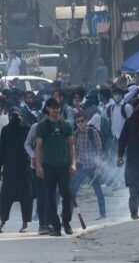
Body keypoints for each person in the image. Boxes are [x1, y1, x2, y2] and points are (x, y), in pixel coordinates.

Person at [35, 98, 76, 236]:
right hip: (48, 166)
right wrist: (39, 166)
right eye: (53, 107)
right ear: (48, 109)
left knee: (67, 195)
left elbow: (71, 145)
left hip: (64, 166)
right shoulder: (42, 126)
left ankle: (66, 222)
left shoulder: (66, 125)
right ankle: (56, 227)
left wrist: (73, 163)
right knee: (50, 197)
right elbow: (39, 148)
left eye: (58, 107)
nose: (56, 110)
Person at [0, 107, 33, 233]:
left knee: (26, 197)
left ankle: (25, 224)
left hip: (24, 168)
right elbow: (1, 150)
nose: (15, 119)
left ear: (21, 117)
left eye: (17, 116)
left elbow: (32, 147)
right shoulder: (6, 130)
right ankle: (2, 222)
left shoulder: (27, 129)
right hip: (9, 169)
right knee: (5, 197)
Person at [72, 111, 106, 220]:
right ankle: (68, 214)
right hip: (81, 165)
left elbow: (99, 150)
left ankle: (103, 213)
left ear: (86, 121)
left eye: (82, 121)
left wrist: (99, 166)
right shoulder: (76, 134)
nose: (80, 124)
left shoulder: (93, 132)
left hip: (92, 165)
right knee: (73, 190)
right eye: (78, 122)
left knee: (97, 189)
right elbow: (75, 151)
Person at [24, 108, 50, 235]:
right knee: (41, 196)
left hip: (51, 166)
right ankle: (42, 225)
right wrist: (33, 156)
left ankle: (50, 222)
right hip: (36, 167)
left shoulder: (56, 127)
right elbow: (27, 144)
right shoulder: (36, 127)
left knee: (50, 195)